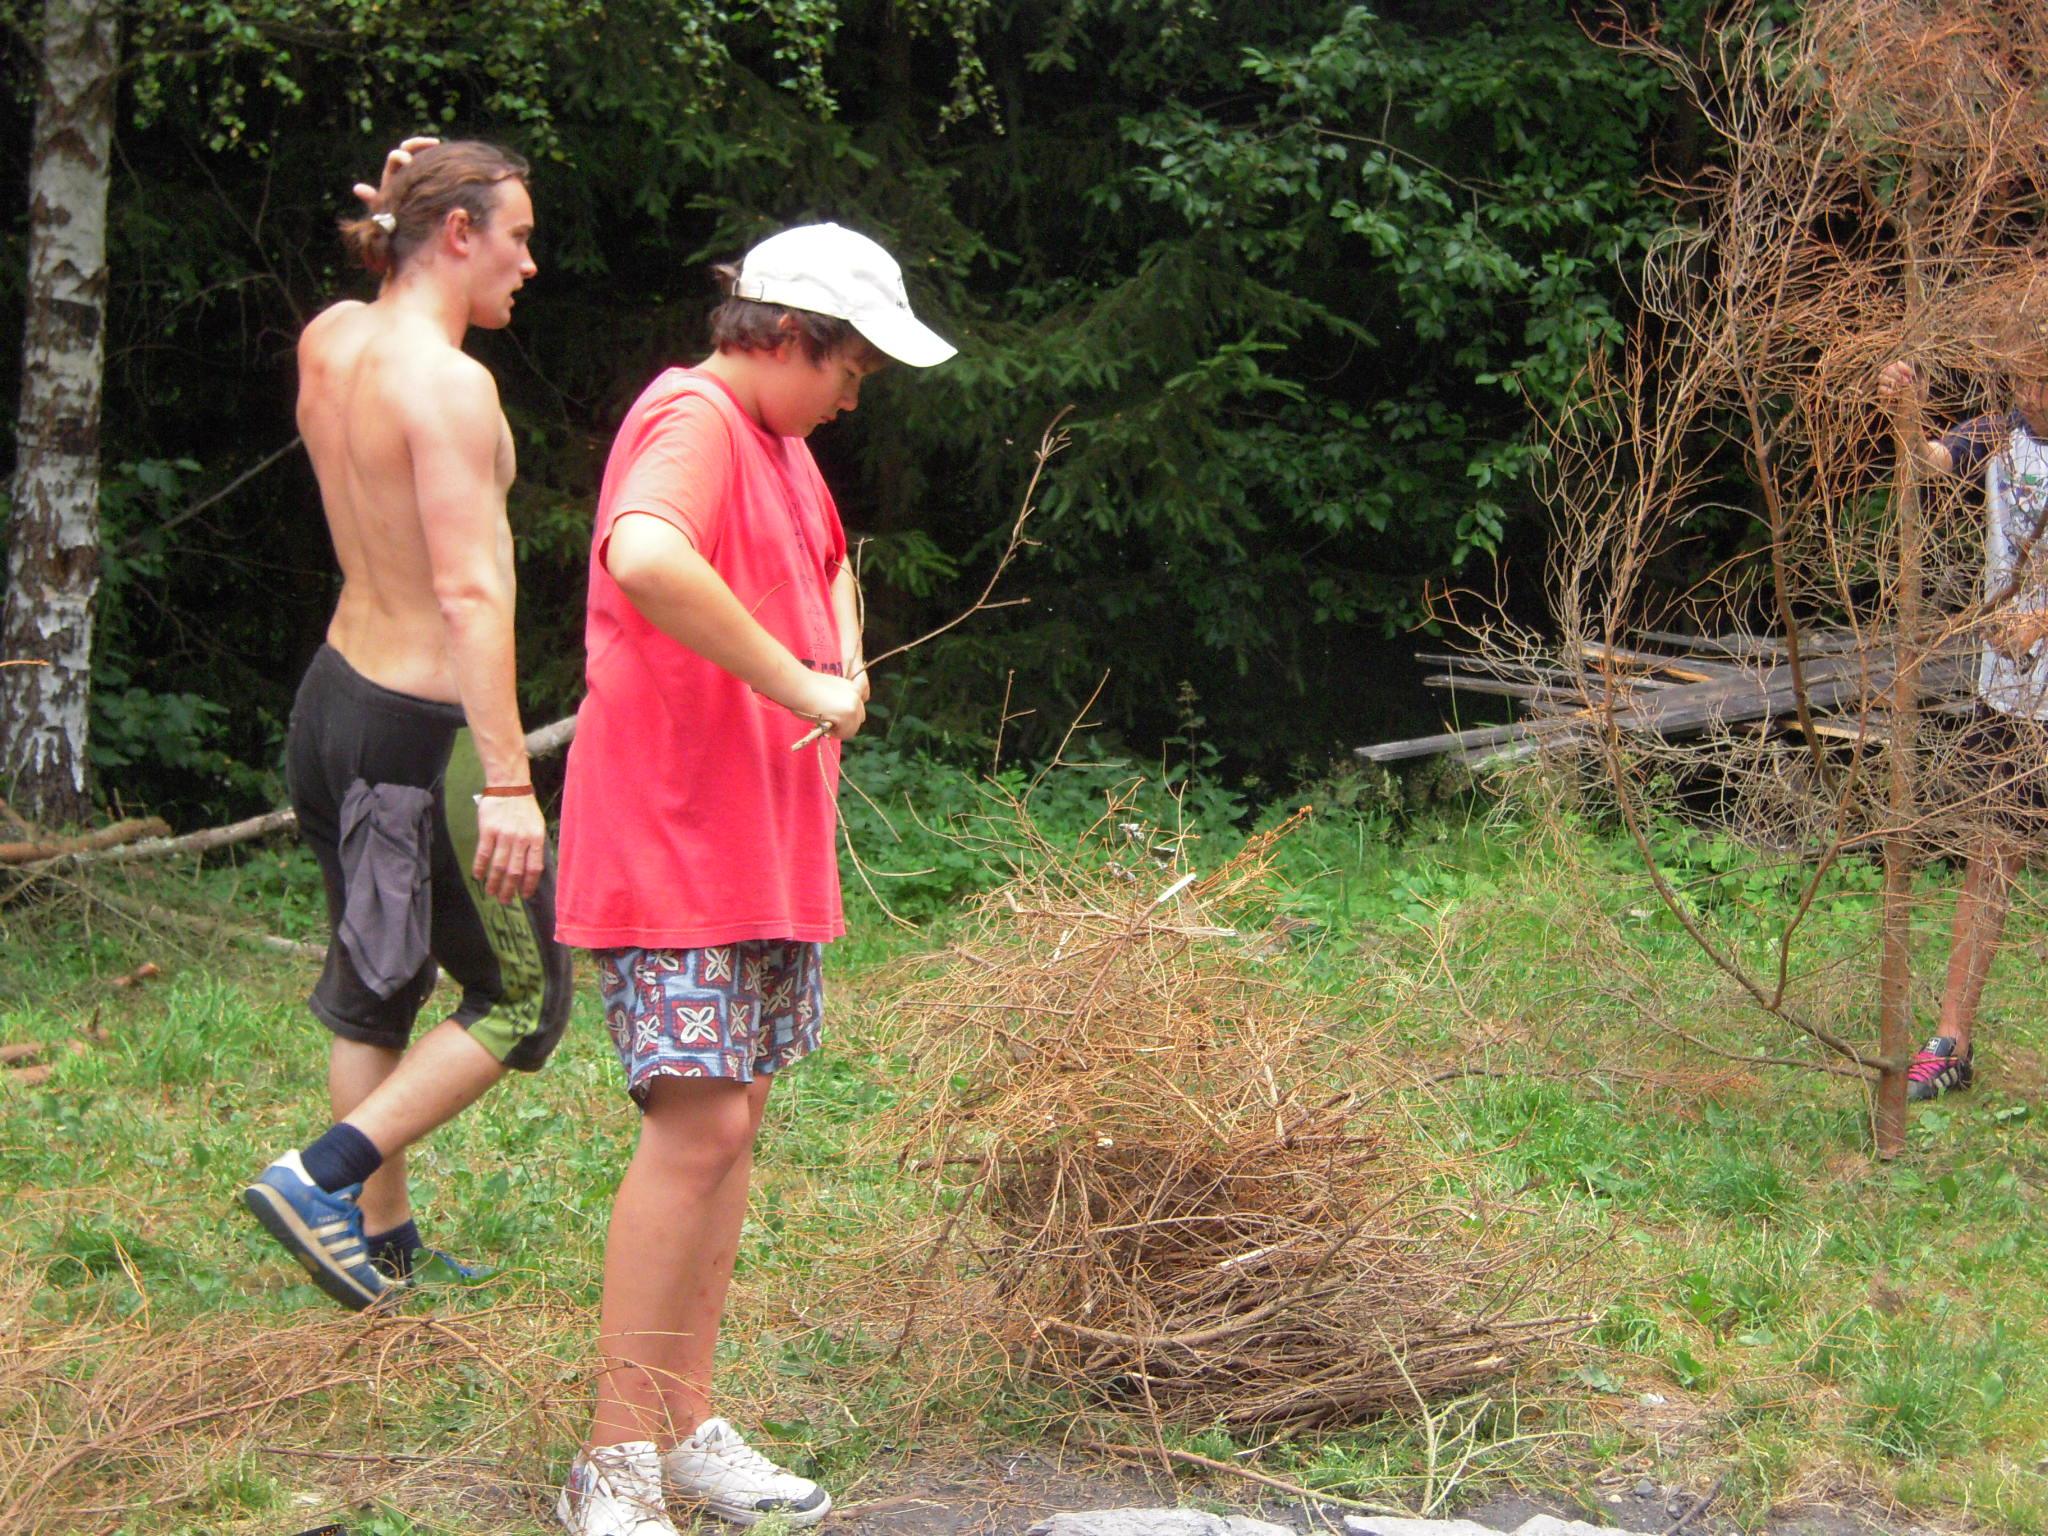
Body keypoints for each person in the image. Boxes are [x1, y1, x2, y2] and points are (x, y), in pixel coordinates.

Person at [551, 223, 955, 1536]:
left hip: (762, 848)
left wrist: (844, 663)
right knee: (700, 1132)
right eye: (849, 366)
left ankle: (686, 1429)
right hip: (672, 840)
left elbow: (834, 568)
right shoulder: (696, 419)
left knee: (733, 1134)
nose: (855, 394)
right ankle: (614, 1460)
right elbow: (645, 555)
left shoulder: (783, 448)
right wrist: (794, 682)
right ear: (783, 336)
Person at [241, 139, 573, 1311]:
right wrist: (507, 784)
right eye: (516, 237)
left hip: (334, 702)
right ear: (459, 233)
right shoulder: (450, 386)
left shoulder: (332, 337)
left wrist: (396, 217)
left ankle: (379, 1249)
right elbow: (471, 594)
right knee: (525, 997)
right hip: (419, 738)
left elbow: (389, 285)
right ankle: (317, 1177)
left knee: (376, 982)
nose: (529, 264)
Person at [1880, 320, 2048, 1101]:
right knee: (1990, 859)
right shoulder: (1998, 436)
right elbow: (1929, 464)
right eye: (2025, 374)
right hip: (2012, 699)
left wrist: (2041, 618)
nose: (2033, 392)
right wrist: (1904, 414)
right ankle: (1952, 1040)